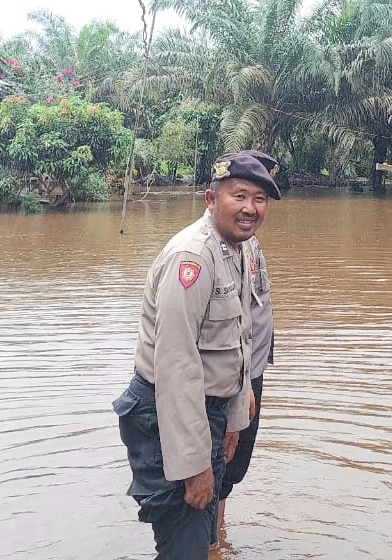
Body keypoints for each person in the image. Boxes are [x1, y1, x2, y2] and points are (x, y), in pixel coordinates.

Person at [114, 150, 281, 559]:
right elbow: (176, 368)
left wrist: (234, 421)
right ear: (211, 198)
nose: (250, 208)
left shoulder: (238, 250)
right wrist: (194, 467)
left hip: (209, 413)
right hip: (166, 417)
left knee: (204, 545)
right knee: (184, 546)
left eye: (259, 199)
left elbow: (240, 344)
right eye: (239, 196)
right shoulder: (192, 257)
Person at [216, 227, 273, 537]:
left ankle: (218, 536)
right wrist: (244, 383)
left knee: (231, 465)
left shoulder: (247, 241)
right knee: (221, 458)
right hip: (239, 377)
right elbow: (230, 322)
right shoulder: (221, 247)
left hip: (251, 370)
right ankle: (209, 542)